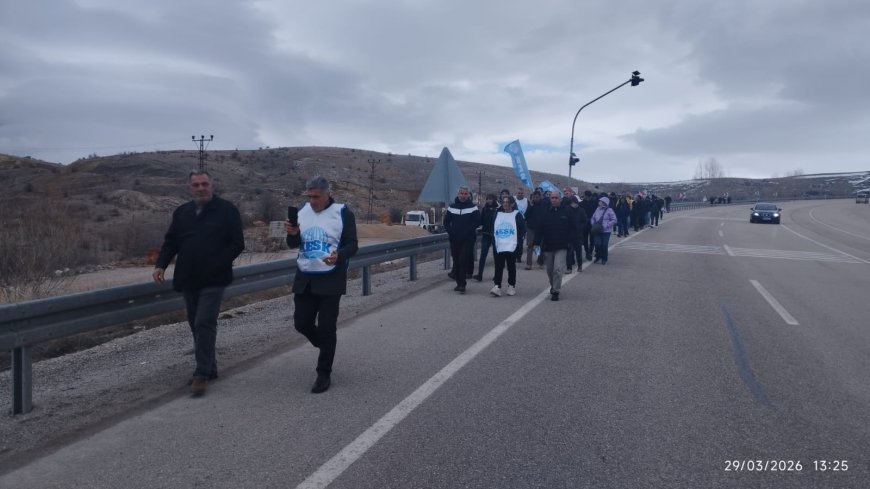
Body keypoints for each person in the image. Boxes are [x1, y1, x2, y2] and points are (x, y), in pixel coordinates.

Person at [153, 169, 245, 397]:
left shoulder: (227, 210)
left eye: (204, 184)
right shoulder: (182, 212)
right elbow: (171, 242)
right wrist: (160, 265)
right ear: (190, 187)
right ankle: (210, 366)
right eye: (196, 185)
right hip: (188, 277)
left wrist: (219, 263)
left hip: (215, 278)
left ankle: (201, 374)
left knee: (204, 322)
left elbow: (237, 243)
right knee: (195, 323)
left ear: (211, 185)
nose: (201, 188)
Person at [284, 176, 358, 394]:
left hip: (331, 277)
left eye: (316, 197)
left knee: (327, 327)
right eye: (309, 196)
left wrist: (340, 255)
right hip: (305, 277)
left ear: (328, 194)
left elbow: (352, 245)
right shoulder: (302, 211)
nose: (312, 201)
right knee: (301, 323)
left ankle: (323, 373)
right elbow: (292, 244)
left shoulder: (343, 213)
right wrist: (294, 234)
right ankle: (324, 345)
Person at [534, 192, 576, 301]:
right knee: (549, 270)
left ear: (560, 199)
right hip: (548, 245)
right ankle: (553, 285)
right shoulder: (545, 212)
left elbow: (573, 228)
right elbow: (539, 229)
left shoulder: (567, 212)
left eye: (556, 198)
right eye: (552, 198)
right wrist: (536, 243)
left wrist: (570, 241)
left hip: (562, 246)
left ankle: (556, 291)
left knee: (558, 269)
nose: (554, 200)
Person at [444, 185, 480, 294]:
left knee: (463, 260)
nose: (463, 196)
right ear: (458, 194)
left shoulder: (473, 207)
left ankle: (462, 284)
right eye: (461, 193)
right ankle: (459, 282)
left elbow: (477, 222)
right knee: (456, 260)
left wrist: (468, 231)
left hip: (468, 239)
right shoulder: (452, 207)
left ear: (468, 195)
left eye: (465, 194)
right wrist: (451, 231)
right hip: (454, 239)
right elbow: (446, 222)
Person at [490, 195, 526, 297]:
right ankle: (497, 286)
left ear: (512, 204)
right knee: (498, 266)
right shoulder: (498, 214)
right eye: (504, 202)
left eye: (507, 202)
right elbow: (493, 228)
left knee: (511, 266)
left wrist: (517, 240)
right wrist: (494, 241)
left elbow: (523, 229)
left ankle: (511, 285)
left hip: (512, 245)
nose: (505, 204)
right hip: (500, 244)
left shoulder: (517, 215)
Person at [473, 193, 498, 282]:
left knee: (496, 256)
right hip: (486, 234)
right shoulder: (485, 209)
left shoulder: (498, 209)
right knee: (483, 255)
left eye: (490, 199)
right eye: (487, 199)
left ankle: (497, 275)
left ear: (494, 199)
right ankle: (480, 274)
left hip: (495, 236)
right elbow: (481, 220)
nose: (489, 200)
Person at [590, 196, 618, 265]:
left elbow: (614, 220)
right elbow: (593, 217)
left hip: (606, 231)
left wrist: (606, 225)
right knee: (597, 244)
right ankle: (598, 256)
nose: (599, 202)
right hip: (597, 229)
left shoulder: (609, 210)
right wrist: (593, 223)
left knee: (604, 245)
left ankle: (604, 258)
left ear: (604, 203)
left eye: (601, 201)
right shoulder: (597, 209)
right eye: (599, 201)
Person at [523, 190, 545, 270]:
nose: (535, 199)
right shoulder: (530, 205)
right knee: (530, 245)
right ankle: (529, 264)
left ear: (540, 197)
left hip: (541, 228)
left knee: (540, 246)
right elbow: (525, 216)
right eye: (534, 197)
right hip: (531, 228)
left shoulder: (544, 204)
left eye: (537, 197)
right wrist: (530, 206)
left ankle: (540, 262)